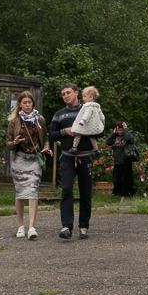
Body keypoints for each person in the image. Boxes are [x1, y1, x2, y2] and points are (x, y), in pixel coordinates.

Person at [49, 82, 104, 240]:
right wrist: (65, 131)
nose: (65, 96)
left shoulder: (88, 108)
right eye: (63, 94)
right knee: (66, 190)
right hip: (67, 156)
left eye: (68, 93)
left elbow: (100, 130)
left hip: (85, 156)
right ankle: (66, 226)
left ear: (76, 93)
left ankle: (84, 227)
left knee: (85, 193)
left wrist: (85, 131)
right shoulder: (59, 114)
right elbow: (51, 135)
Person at [5, 90, 49, 240]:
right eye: (24, 103)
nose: (27, 105)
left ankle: (31, 227)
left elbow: (46, 138)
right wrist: (15, 142)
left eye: (29, 102)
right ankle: (20, 226)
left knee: (33, 190)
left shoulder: (40, 119)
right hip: (19, 159)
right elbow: (8, 143)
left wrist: (47, 148)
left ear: (33, 104)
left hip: (35, 159)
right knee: (20, 192)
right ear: (20, 105)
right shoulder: (14, 121)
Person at [104, 121, 136, 202]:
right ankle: (126, 194)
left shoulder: (126, 136)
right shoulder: (115, 137)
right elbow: (107, 142)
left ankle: (123, 198)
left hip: (126, 161)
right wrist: (113, 133)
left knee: (125, 180)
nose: (120, 132)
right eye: (118, 130)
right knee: (116, 180)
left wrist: (125, 130)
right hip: (117, 162)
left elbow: (130, 138)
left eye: (121, 130)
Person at [68, 85, 105, 152]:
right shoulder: (97, 106)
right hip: (92, 126)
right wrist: (103, 121)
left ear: (91, 97)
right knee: (91, 137)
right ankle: (96, 149)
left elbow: (87, 114)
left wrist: (83, 120)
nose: (83, 98)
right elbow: (101, 115)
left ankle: (74, 147)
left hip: (85, 124)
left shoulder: (88, 106)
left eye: (84, 96)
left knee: (78, 134)